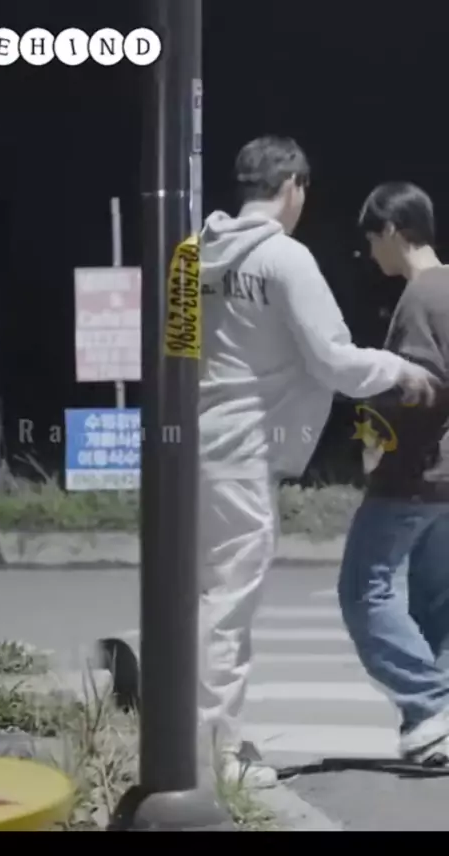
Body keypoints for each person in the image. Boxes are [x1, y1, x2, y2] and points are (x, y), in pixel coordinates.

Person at [197, 140, 438, 788]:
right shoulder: (285, 258)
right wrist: (400, 371)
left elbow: (175, 348)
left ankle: (193, 738)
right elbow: (334, 358)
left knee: (198, 598)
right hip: (245, 451)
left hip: (190, 448)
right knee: (227, 608)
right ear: (293, 187)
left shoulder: (191, 255)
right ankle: (213, 753)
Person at [338, 181, 449, 767]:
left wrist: (371, 433)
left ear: (390, 229)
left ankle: (430, 706)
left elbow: (419, 387)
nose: (369, 252)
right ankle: (437, 723)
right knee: (437, 603)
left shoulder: (420, 296)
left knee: (364, 590)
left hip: (412, 474)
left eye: (371, 239)